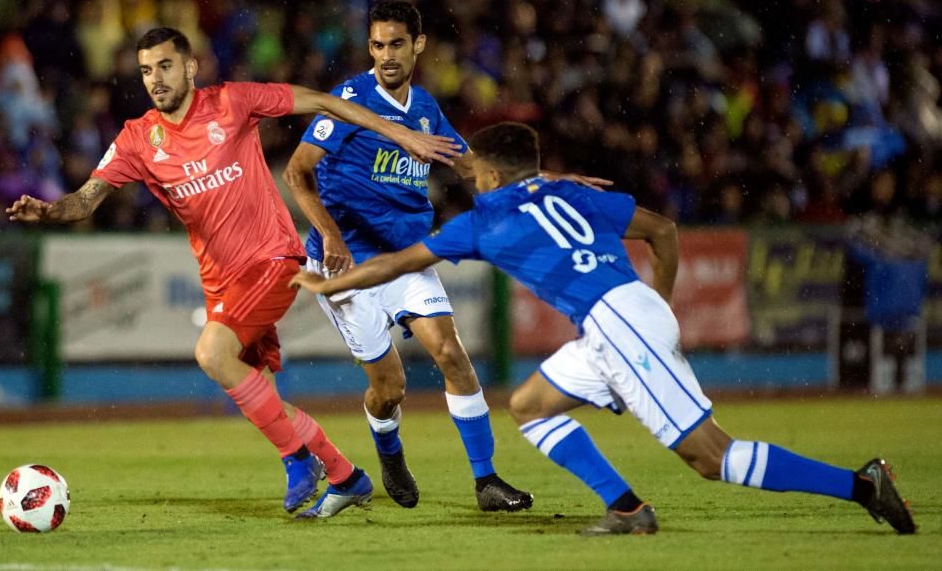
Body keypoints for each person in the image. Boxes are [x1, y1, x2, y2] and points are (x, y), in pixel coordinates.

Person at [290, 121, 918, 536]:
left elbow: (401, 262)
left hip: (618, 326)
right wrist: (660, 311)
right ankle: (626, 508)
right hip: (627, 314)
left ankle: (863, 486)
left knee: (710, 457)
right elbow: (664, 233)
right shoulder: (574, 194)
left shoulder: (482, 223)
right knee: (532, 405)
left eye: (476, 173)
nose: (471, 179)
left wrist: (326, 283)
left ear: (492, 175)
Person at [6, 26, 462, 519]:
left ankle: (297, 461)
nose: (155, 79)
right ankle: (345, 475)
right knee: (256, 392)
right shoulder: (138, 138)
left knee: (211, 352)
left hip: (273, 260)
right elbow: (86, 199)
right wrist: (51, 212)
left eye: (164, 66)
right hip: (222, 281)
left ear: (190, 67)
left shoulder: (233, 102)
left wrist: (397, 131)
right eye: (145, 70)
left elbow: (323, 103)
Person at [284, 2, 607, 511]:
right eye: (377, 45)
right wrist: (330, 234)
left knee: (453, 355)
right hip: (349, 261)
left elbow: (475, 169)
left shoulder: (426, 109)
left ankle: (487, 482)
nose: (386, 55)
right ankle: (389, 451)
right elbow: (297, 173)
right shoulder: (351, 99)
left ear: (419, 44)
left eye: (395, 44)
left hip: (408, 258)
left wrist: (554, 182)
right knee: (389, 388)